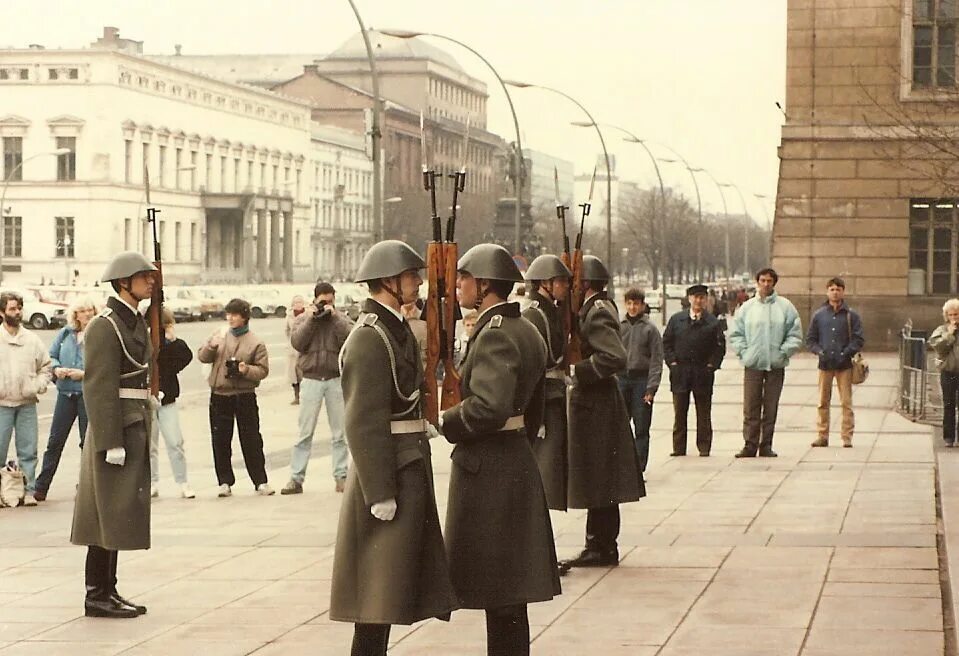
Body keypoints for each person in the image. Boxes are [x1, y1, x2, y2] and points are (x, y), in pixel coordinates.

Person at [329, 240, 457, 656]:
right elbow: (362, 421)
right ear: (388, 281)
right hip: (387, 473)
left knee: (389, 591)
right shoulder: (370, 337)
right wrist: (379, 491)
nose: (417, 284)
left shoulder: (395, 328)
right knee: (376, 595)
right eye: (410, 277)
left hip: (406, 463)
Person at [443, 243, 560, 656]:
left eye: (465, 279)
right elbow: (536, 406)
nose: (458, 286)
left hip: (488, 467)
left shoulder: (494, 335)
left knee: (500, 587)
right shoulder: (526, 328)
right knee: (510, 589)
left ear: (485, 285)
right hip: (514, 458)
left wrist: (447, 422)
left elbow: (488, 407)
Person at [71, 251, 156, 618]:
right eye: (143, 277)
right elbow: (98, 386)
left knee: (115, 513)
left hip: (132, 421)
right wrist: (110, 441)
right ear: (124, 282)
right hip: (116, 428)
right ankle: (96, 595)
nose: (150, 282)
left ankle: (109, 589)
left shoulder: (132, 320)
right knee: (105, 513)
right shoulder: (105, 325)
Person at [561, 256, 644, 572]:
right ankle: (599, 543)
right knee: (601, 476)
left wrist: (577, 371)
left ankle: (601, 544)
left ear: (585, 285)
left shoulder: (595, 312)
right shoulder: (597, 308)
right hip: (598, 401)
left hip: (596, 402)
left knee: (600, 475)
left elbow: (614, 357)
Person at [281, 282, 353, 495]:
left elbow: (350, 338)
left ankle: (341, 477)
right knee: (304, 433)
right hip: (311, 379)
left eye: (330, 301)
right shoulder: (304, 318)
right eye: (323, 301)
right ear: (314, 300)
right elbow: (297, 342)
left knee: (340, 433)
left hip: (335, 379)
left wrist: (335, 316)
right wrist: (312, 318)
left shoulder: (340, 317)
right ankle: (296, 478)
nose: (326, 305)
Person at [198, 298, 272, 497]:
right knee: (220, 439)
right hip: (220, 394)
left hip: (244, 395)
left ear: (245, 317)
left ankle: (260, 481)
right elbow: (203, 357)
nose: (230, 318)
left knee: (251, 439)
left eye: (234, 315)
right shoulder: (220, 335)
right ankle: (224, 481)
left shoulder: (256, 342)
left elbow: (263, 370)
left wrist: (245, 369)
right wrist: (211, 346)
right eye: (228, 314)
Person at [728, 268, 803, 458]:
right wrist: (745, 353)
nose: (766, 284)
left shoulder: (786, 307)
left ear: (774, 283)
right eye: (762, 280)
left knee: (770, 407)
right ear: (757, 282)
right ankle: (749, 444)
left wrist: (783, 352)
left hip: (775, 365)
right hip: (753, 364)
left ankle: (766, 444)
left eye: (769, 281)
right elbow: (736, 334)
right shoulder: (747, 307)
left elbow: (794, 334)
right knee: (751, 406)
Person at [523, 253, 573, 511]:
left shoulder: (550, 310)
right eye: (561, 281)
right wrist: (538, 415)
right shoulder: (534, 314)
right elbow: (535, 367)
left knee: (551, 473)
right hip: (544, 400)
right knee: (544, 474)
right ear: (545, 282)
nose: (565, 287)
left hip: (554, 396)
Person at [34, 296, 96, 502]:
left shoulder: (97, 334)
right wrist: (57, 368)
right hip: (65, 393)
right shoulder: (65, 333)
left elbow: (103, 364)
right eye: (83, 310)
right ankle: (41, 486)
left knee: (86, 444)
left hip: (86, 394)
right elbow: (51, 356)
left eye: (90, 310)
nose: (87, 313)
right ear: (75, 315)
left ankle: (86, 487)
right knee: (55, 442)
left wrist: (84, 373)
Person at [0, 291, 52, 507]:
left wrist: (37, 385)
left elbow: (46, 367)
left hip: (27, 404)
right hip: (2, 404)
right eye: (12, 308)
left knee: (28, 450)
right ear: (2, 312)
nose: (17, 312)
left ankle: (29, 490)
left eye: (19, 308)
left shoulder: (32, 340)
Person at [662, 284, 725, 458]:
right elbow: (666, 342)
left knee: (703, 412)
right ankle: (678, 447)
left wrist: (712, 366)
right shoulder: (676, 320)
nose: (698, 301)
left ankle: (704, 446)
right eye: (695, 297)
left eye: (702, 298)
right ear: (689, 299)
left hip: (702, 371)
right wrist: (672, 362)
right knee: (679, 412)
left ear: (706, 300)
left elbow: (719, 347)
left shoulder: (712, 322)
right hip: (680, 371)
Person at [806, 277, 865, 448]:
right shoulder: (819, 315)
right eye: (832, 289)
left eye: (838, 289)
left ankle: (847, 436)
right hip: (825, 364)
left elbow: (858, 338)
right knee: (823, 402)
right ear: (827, 291)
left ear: (843, 292)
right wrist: (819, 351)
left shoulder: (851, 315)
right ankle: (822, 435)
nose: (835, 292)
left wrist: (846, 352)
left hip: (844, 364)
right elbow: (810, 339)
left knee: (846, 402)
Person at [150, 307, 195, 499]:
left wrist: (172, 340)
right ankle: (152, 481)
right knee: (149, 444)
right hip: (148, 397)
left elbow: (185, 357)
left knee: (175, 441)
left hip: (167, 397)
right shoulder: (145, 343)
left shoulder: (171, 344)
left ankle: (182, 481)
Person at [619, 288, 663, 473]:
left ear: (643, 305)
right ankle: (622, 466)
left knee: (642, 427)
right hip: (622, 379)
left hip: (641, 381)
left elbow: (656, 360)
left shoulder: (650, 329)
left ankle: (638, 467)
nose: (632, 307)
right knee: (620, 426)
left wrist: (651, 388)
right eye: (629, 303)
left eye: (636, 303)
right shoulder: (619, 326)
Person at [930, 298, 959, 447]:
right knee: (948, 404)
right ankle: (949, 437)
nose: (954, 318)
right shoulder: (941, 330)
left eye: (956, 315)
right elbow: (938, 347)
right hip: (948, 371)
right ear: (946, 316)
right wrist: (950, 334)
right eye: (951, 315)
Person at [285, 295, 306, 405]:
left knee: (303, 373)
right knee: (293, 375)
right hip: (292, 349)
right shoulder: (289, 316)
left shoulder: (307, 315)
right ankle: (296, 396)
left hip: (304, 348)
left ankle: (305, 396)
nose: (298, 304)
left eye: (300, 302)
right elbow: (287, 331)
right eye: (296, 302)